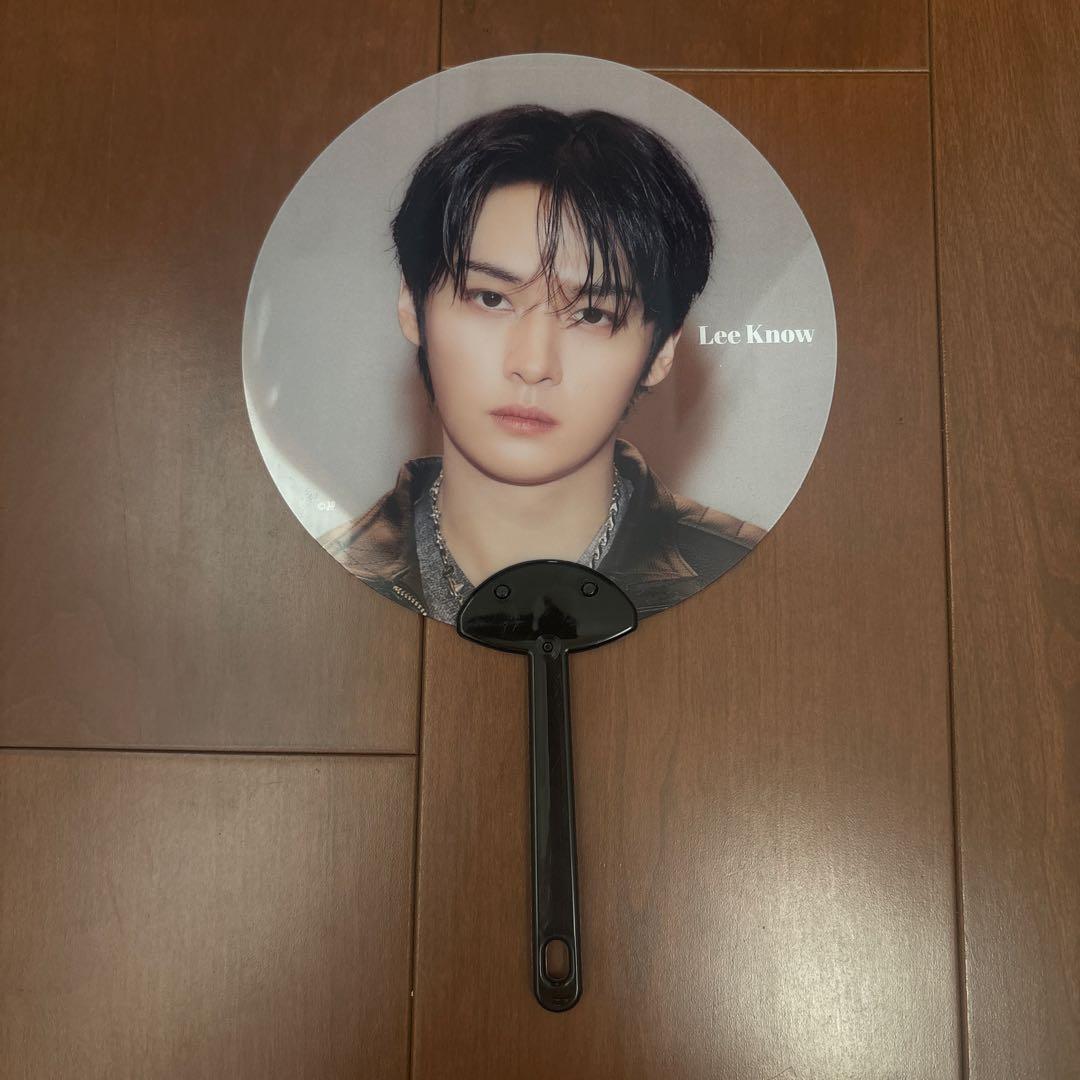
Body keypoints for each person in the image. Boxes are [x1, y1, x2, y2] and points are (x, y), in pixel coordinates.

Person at [321, 105, 764, 623]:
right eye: (491, 299)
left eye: (592, 314)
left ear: (662, 348)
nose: (533, 365)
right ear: (411, 306)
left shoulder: (762, 582)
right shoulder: (318, 579)